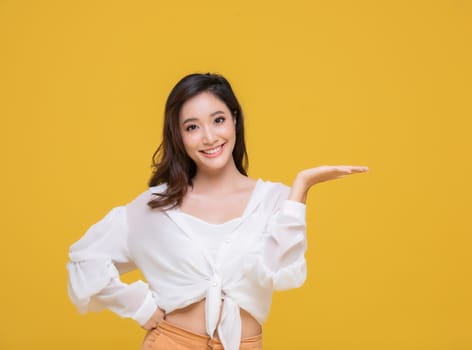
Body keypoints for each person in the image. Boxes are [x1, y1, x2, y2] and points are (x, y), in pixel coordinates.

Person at [66, 73, 368, 350]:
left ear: (235, 120)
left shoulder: (274, 199)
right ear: (179, 136)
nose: (209, 137)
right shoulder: (155, 205)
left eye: (218, 120)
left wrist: (300, 189)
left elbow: (283, 273)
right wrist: (139, 306)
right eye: (192, 127)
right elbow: (85, 258)